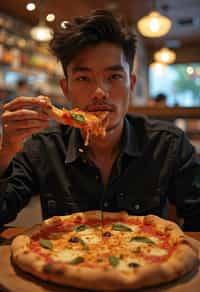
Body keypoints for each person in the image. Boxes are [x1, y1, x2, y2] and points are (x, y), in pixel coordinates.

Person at [0, 10, 200, 231]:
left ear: (131, 85)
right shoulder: (43, 146)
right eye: (83, 78)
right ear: (66, 89)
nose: (99, 92)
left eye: (114, 77)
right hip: (63, 262)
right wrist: (6, 150)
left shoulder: (168, 144)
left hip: (147, 258)